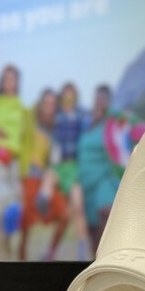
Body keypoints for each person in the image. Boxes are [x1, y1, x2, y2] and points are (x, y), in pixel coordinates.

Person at [19, 88, 68, 262]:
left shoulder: (56, 130)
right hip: (28, 176)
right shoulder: (30, 122)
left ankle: (50, 254)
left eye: (53, 104)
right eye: (46, 103)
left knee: (65, 215)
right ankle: (21, 256)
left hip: (45, 180)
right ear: (40, 104)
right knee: (25, 221)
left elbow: (55, 160)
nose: (49, 107)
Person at [0, 65, 29, 253]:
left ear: (17, 82)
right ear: (1, 82)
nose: (10, 82)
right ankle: (1, 249)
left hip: (13, 161)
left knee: (15, 209)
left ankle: (6, 245)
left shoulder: (21, 107)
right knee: (5, 205)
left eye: (13, 78)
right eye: (6, 78)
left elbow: (26, 136)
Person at [76, 84, 120, 255]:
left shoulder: (111, 124)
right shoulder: (86, 124)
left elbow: (128, 122)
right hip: (86, 187)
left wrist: (112, 112)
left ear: (109, 102)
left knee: (105, 217)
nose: (100, 102)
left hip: (104, 181)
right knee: (94, 239)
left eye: (104, 99)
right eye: (98, 98)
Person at [53, 81, 90, 261]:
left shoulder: (81, 116)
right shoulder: (57, 117)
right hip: (59, 168)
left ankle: (82, 253)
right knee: (64, 215)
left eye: (72, 98)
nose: (68, 101)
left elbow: (94, 121)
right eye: (65, 98)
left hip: (75, 167)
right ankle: (51, 251)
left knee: (78, 207)